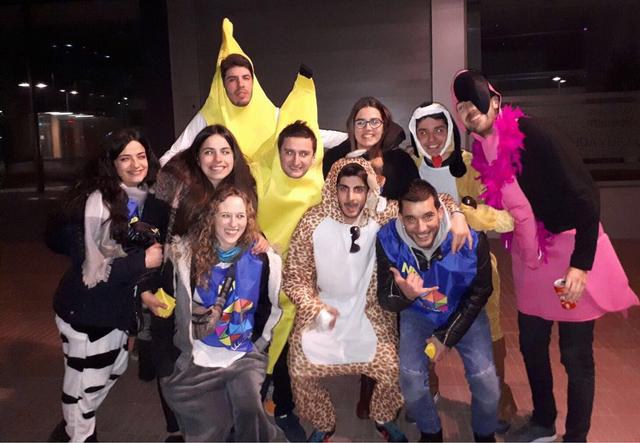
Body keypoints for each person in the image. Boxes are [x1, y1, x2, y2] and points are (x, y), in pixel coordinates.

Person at [451, 69, 639, 442]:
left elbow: (587, 196)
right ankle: (543, 421)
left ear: (496, 101)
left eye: (475, 102)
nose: (470, 111)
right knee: (532, 345)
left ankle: (576, 436)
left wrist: (581, 265)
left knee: (575, 354)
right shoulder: (483, 151)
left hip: (569, 250)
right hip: (531, 256)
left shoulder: (536, 135)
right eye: (462, 108)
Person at [140, 123, 260, 442]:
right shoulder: (174, 181)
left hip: (221, 284)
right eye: (209, 152)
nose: (217, 159)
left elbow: (247, 226)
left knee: (215, 350)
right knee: (171, 352)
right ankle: (177, 429)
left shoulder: (245, 186)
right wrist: (146, 284)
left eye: (225, 152)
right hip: (174, 276)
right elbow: (150, 230)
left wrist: (258, 237)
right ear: (197, 157)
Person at [407, 102, 517, 432]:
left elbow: (505, 216)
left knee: (489, 337)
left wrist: (463, 214)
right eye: (423, 132)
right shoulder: (410, 167)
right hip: (426, 270)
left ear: (450, 131)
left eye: (439, 130)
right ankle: (428, 389)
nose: (431, 139)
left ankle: (498, 398)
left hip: (472, 268)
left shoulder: (470, 165)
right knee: (422, 334)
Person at [50, 128, 162, 442]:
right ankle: (79, 435)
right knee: (85, 386)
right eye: (125, 158)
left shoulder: (138, 198)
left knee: (111, 370)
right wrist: (143, 262)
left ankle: (72, 426)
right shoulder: (94, 204)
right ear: (111, 163)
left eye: (140, 156)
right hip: (87, 313)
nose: (136, 164)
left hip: (114, 310)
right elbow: (91, 267)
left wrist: (143, 292)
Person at [284, 157, 407, 442]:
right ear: (333, 188)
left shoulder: (381, 215)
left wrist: (457, 215)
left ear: (368, 190)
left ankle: (383, 416)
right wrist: (315, 308)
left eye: (359, 189)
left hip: (369, 312)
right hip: (323, 309)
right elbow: (295, 277)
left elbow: (429, 206)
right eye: (344, 188)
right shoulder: (312, 221)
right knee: (299, 368)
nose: (351, 198)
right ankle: (323, 422)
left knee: (392, 368)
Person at [377, 179, 499, 442]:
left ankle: (484, 433)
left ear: (441, 212)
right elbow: (385, 299)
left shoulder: (471, 239)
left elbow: (481, 292)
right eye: (411, 219)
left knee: (486, 380)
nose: (421, 228)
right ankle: (430, 433)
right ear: (400, 217)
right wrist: (405, 294)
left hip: (464, 310)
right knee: (410, 378)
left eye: (428, 216)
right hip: (418, 312)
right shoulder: (387, 239)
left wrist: (446, 337)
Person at [159, 186, 282, 442]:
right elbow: (169, 305)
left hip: (243, 354)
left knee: (250, 411)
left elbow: (269, 307)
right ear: (212, 217)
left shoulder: (264, 260)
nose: (233, 223)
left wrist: (259, 344)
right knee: (212, 425)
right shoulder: (186, 257)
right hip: (199, 355)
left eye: (240, 216)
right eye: (225, 215)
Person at [160, 19, 346, 166]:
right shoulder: (208, 117)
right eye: (232, 79)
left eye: (246, 78)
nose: (240, 85)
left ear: (253, 81)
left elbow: (315, 134)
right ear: (223, 85)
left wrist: (354, 138)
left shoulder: (271, 114)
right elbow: (168, 159)